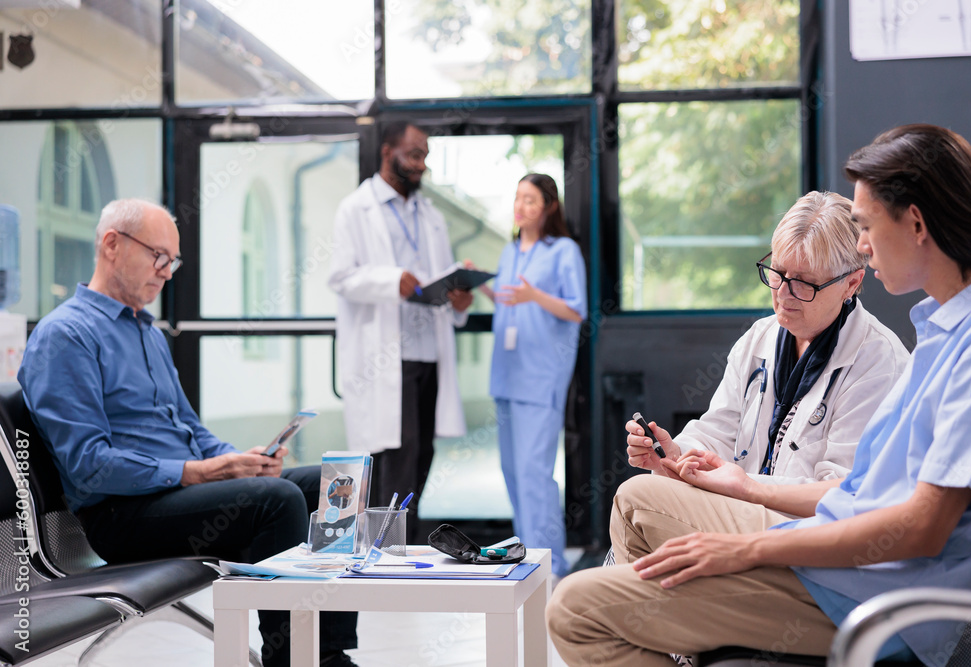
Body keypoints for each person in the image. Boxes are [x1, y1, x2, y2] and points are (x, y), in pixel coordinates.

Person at [547, 123, 971, 667]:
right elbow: (858, 492)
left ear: (916, 224)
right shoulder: (945, 331)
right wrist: (706, 468)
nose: (863, 245)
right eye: (778, 276)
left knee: (573, 607)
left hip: (864, 590)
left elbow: (919, 527)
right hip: (836, 554)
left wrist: (748, 545)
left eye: (866, 225)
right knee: (638, 496)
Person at [18, 199, 359, 667]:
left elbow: (191, 429)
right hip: (121, 515)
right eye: (158, 256)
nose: (167, 271)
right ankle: (292, 661)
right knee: (275, 500)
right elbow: (89, 466)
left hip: (177, 498)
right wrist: (199, 472)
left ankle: (327, 654)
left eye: (172, 261)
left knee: (333, 483)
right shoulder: (66, 336)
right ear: (112, 244)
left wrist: (242, 462)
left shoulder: (148, 333)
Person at [630, 191, 909, 489]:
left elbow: (844, 489)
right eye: (777, 272)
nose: (783, 293)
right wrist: (673, 454)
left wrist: (747, 487)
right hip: (742, 502)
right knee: (645, 491)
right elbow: (719, 432)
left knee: (638, 494)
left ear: (851, 283)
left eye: (803, 282)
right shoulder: (759, 338)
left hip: (801, 516)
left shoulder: (879, 363)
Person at [328, 121, 473, 542]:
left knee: (422, 451)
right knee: (396, 455)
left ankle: (398, 546)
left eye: (424, 156)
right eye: (414, 154)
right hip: (386, 358)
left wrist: (458, 297)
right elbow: (340, 277)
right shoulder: (355, 209)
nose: (421, 164)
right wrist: (393, 281)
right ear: (387, 151)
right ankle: (385, 550)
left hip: (428, 351)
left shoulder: (431, 215)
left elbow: (441, 278)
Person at [478, 173, 587, 577]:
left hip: (540, 377)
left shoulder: (563, 251)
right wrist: (479, 286)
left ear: (549, 206)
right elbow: (508, 301)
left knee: (534, 475)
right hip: (506, 375)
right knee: (512, 472)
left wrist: (535, 295)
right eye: (517, 198)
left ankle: (550, 562)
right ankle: (527, 556)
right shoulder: (510, 251)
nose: (521, 206)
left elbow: (576, 310)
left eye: (530, 199)